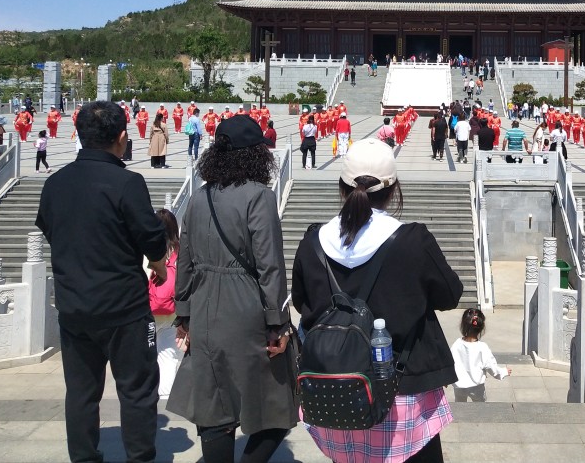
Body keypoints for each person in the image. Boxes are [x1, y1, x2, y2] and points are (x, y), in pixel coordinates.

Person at [292, 138, 463, 463]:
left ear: (343, 186)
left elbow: (302, 304)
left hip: (336, 389)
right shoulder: (413, 241)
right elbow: (450, 294)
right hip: (402, 389)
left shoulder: (313, 242)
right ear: (393, 188)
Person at [35, 100, 168, 463]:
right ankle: (139, 457)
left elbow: (49, 229)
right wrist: (158, 266)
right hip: (123, 307)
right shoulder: (127, 182)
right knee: (137, 390)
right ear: (122, 137)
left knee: (81, 391)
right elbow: (153, 239)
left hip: (74, 306)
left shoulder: (56, 183)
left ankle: (84, 457)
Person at [168, 115, 296, 463]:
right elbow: (269, 266)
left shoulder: (199, 198)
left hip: (205, 306)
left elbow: (185, 260)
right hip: (247, 307)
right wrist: (277, 323)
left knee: (214, 406)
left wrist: (184, 313)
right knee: (277, 403)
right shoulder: (260, 197)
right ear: (256, 155)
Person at [149, 208, 181, 401]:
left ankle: (148, 390)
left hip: (149, 311)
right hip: (172, 311)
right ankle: (166, 392)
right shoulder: (181, 251)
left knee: (147, 354)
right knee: (169, 354)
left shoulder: (148, 250)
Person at [450, 308, 510, 402]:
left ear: (463, 325)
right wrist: (503, 372)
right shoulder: (482, 347)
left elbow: (448, 362)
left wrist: (445, 379)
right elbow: (491, 366)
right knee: (480, 405)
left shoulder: (457, 344)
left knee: (460, 405)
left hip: (459, 386)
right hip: (476, 386)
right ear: (481, 328)